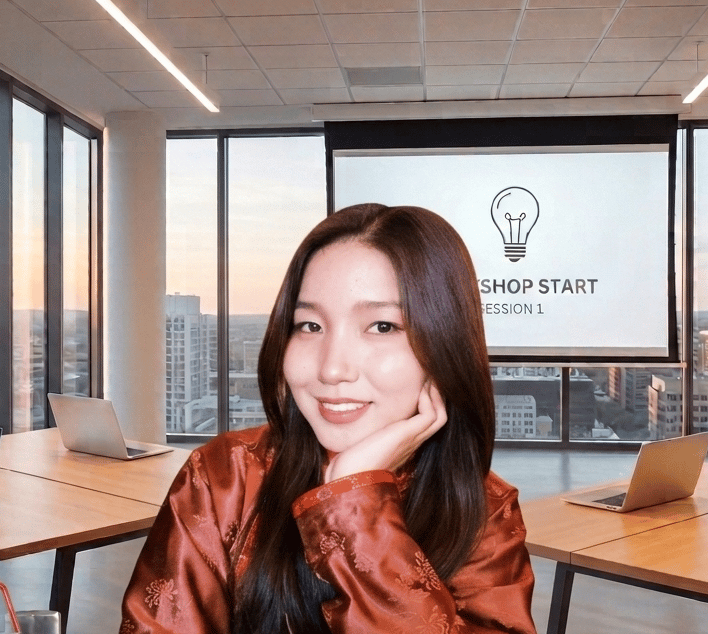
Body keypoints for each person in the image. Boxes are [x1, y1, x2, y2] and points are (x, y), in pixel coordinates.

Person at [120, 204, 537, 634]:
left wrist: (354, 500)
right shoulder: (224, 479)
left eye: (381, 326)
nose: (332, 370)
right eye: (310, 326)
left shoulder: (484, 511)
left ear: (444, 344)